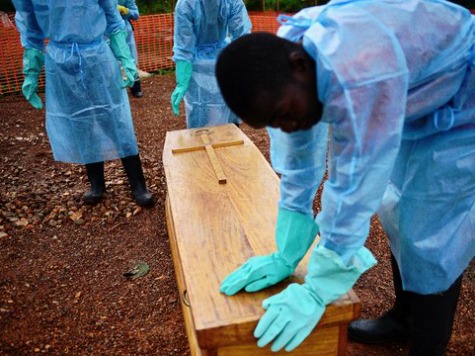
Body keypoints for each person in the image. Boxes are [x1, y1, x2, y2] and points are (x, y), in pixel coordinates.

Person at [215, 0, 475, 354]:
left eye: (285, 114)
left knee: (431, 232)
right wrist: (289, 248)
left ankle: (427, 345)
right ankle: (405, 318)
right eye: (275, 124)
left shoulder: (361, 73)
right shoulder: (290, 56)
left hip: (461, 100)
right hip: (409, 89)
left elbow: (354, 186)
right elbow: (299, 154)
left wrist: (320, 286)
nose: (289, 126)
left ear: (300, 66)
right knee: (397, 208)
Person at [13, 0, 154, 207]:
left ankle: (138, 184)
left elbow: (113, 19)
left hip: (97, 56)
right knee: (81, 123)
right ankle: (97, 184)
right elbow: (31, 27)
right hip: (61, 63)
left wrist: (126, 58)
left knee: (116, 119)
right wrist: (31, 71)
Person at [170, 0, 252, 128]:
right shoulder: (186, 4)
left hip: (213, 64)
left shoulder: (186, 4)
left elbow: (242, 40)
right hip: (217, 63)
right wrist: (181, 82)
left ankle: (228, 142)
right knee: (203, 114)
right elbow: (243, 40)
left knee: (215, 111)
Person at [117, 0, 143, 98]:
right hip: (107, 31)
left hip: (125, 31)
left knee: (131, 58)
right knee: (112, 61)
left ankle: (135, 87)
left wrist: (126, 11)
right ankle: (116, 88)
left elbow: (136, 14)